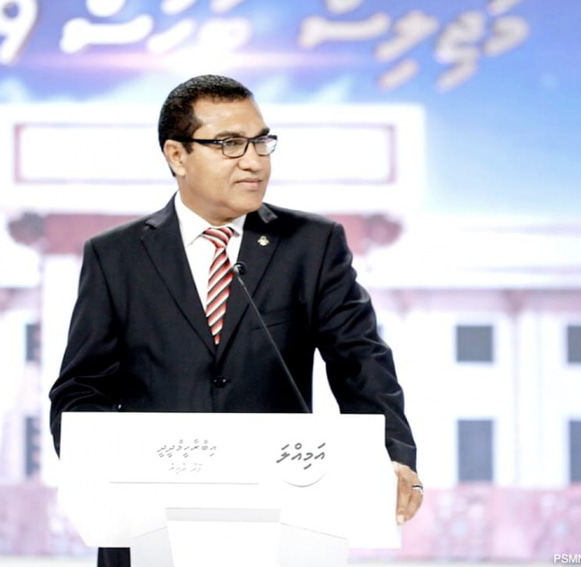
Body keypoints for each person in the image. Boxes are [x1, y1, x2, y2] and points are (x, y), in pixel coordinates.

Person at [49, 74, 422, 567]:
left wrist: (392, 456)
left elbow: (361, 362)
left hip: (280, 519)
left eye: (261, 142)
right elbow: (81, 389)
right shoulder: (116, 256)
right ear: (177, 156)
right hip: (150, 528)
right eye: (229, 144)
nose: (254, 161)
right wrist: (106, 471)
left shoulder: (312, 245)